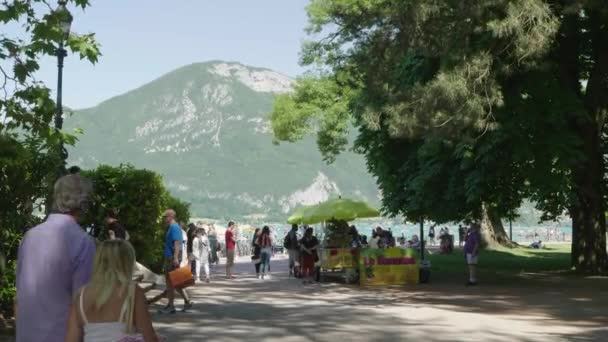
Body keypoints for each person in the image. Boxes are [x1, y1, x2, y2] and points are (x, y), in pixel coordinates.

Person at [16, 174, 95, 342]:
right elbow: (81, 304)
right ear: (83, 202)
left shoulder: (30, 236)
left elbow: (20, 295)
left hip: (27, 334)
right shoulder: (82, 242)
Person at [65, 240, 159, 342]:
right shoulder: (133, 292)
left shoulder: (81, 295)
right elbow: (148, 337)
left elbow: (71, 339)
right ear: (126, 262)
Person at [159, 209, 193, 314]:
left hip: (171, 257)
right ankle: (184, 302)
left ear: (170, 217)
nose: (164, 219)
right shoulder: (173, 227)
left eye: (165, 217)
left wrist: (175, 258)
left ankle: (172, 306)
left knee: (172, 282)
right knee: (175, 282)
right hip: (171, 257)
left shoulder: (174, 227)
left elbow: (177, 243)